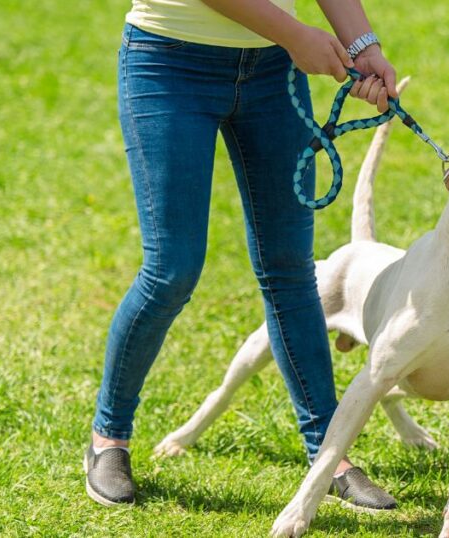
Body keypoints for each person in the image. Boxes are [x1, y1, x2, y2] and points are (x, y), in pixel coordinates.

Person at [84, 0, 399, 510]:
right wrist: (295, 34)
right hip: (169, 62)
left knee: (291, 272)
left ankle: (329, 455)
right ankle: (108, 437)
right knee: (171, 270)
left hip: (273, 73)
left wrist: (365, 45)